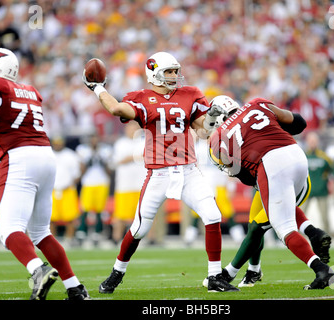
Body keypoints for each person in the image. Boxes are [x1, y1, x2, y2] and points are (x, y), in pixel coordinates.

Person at [83, 51, 238, 293]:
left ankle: (215, 276)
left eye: (176, 71)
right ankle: (117, 272)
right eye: (169, 71)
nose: (175, 75)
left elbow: (203, 130)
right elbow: (116, 109)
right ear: (154, 74)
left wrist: (213, 119)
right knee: (139, 229)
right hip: (159, 173)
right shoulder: (142, 98)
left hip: (188, 170)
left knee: (212, 215)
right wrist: (97, 88)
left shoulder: (190, 94)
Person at [0, 48, 89, 300]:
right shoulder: (30, 91)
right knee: (41, 232)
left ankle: (37, 270)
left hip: (18, 157)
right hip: (45, 156)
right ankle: (75, 288)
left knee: (8, 229)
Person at [208, 95, 334, 289]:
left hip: (271, 166)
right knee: (268, 216)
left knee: (283, 227)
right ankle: (312, 233)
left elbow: (243, 176)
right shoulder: (255, 103)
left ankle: (322, 270)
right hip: (297, 155)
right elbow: (298, 123)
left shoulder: (218, 137)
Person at [110, 120, 147, 244]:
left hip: (141, 184)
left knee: (144, 213)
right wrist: (133, 157)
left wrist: (133, 157)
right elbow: (116, 162)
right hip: (125, 185)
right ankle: (116, 238)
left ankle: (147, 239)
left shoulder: (144, 142)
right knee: (121, 214)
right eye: (131, 128)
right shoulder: (120, 144)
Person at [75, 133, 112, 247]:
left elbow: (109, 171)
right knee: (85, 207)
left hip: (102, 182)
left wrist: (102, 160)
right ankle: (82, 232)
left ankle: (97, 232)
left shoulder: (106, 150)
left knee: (100, 209)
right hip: (88, 182)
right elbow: (81, 168)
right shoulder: (83, 150)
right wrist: (89, 160)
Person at [50, 135, 82, 247]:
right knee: (50, 218)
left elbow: (77, 173)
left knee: (71, 217)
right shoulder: (49, 154)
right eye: (56, 142)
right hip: (52, 190)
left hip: (67, 189)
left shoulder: (70, 155)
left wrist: (71, 183)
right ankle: (52, 241)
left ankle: (69, 240)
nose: (57, 144)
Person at [302, 131, 334, 235]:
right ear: (307, 142)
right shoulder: (303, 156)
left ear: (317, 142)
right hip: (306, 192)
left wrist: (330, 183)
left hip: (321, 191)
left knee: (325, 217)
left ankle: (328, 237)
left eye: (314, 141)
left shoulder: (324, 157)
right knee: (300, 216)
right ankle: (297, 238)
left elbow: (332, 170)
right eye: (310, 141)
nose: (312, 143)